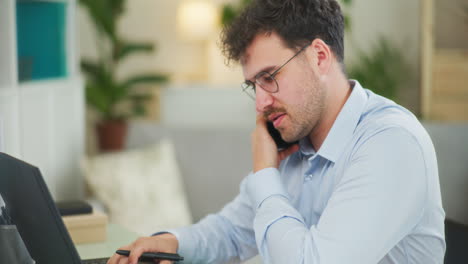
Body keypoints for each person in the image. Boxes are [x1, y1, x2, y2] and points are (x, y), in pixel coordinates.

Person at [107, 0, 445, 263]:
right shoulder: (296, 138)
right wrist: (169, 243)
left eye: (270, 77)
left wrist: (265, 172)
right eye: (254, 85)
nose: (260, 103)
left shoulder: (391, 144)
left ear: (319, 57)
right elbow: (233, 232)